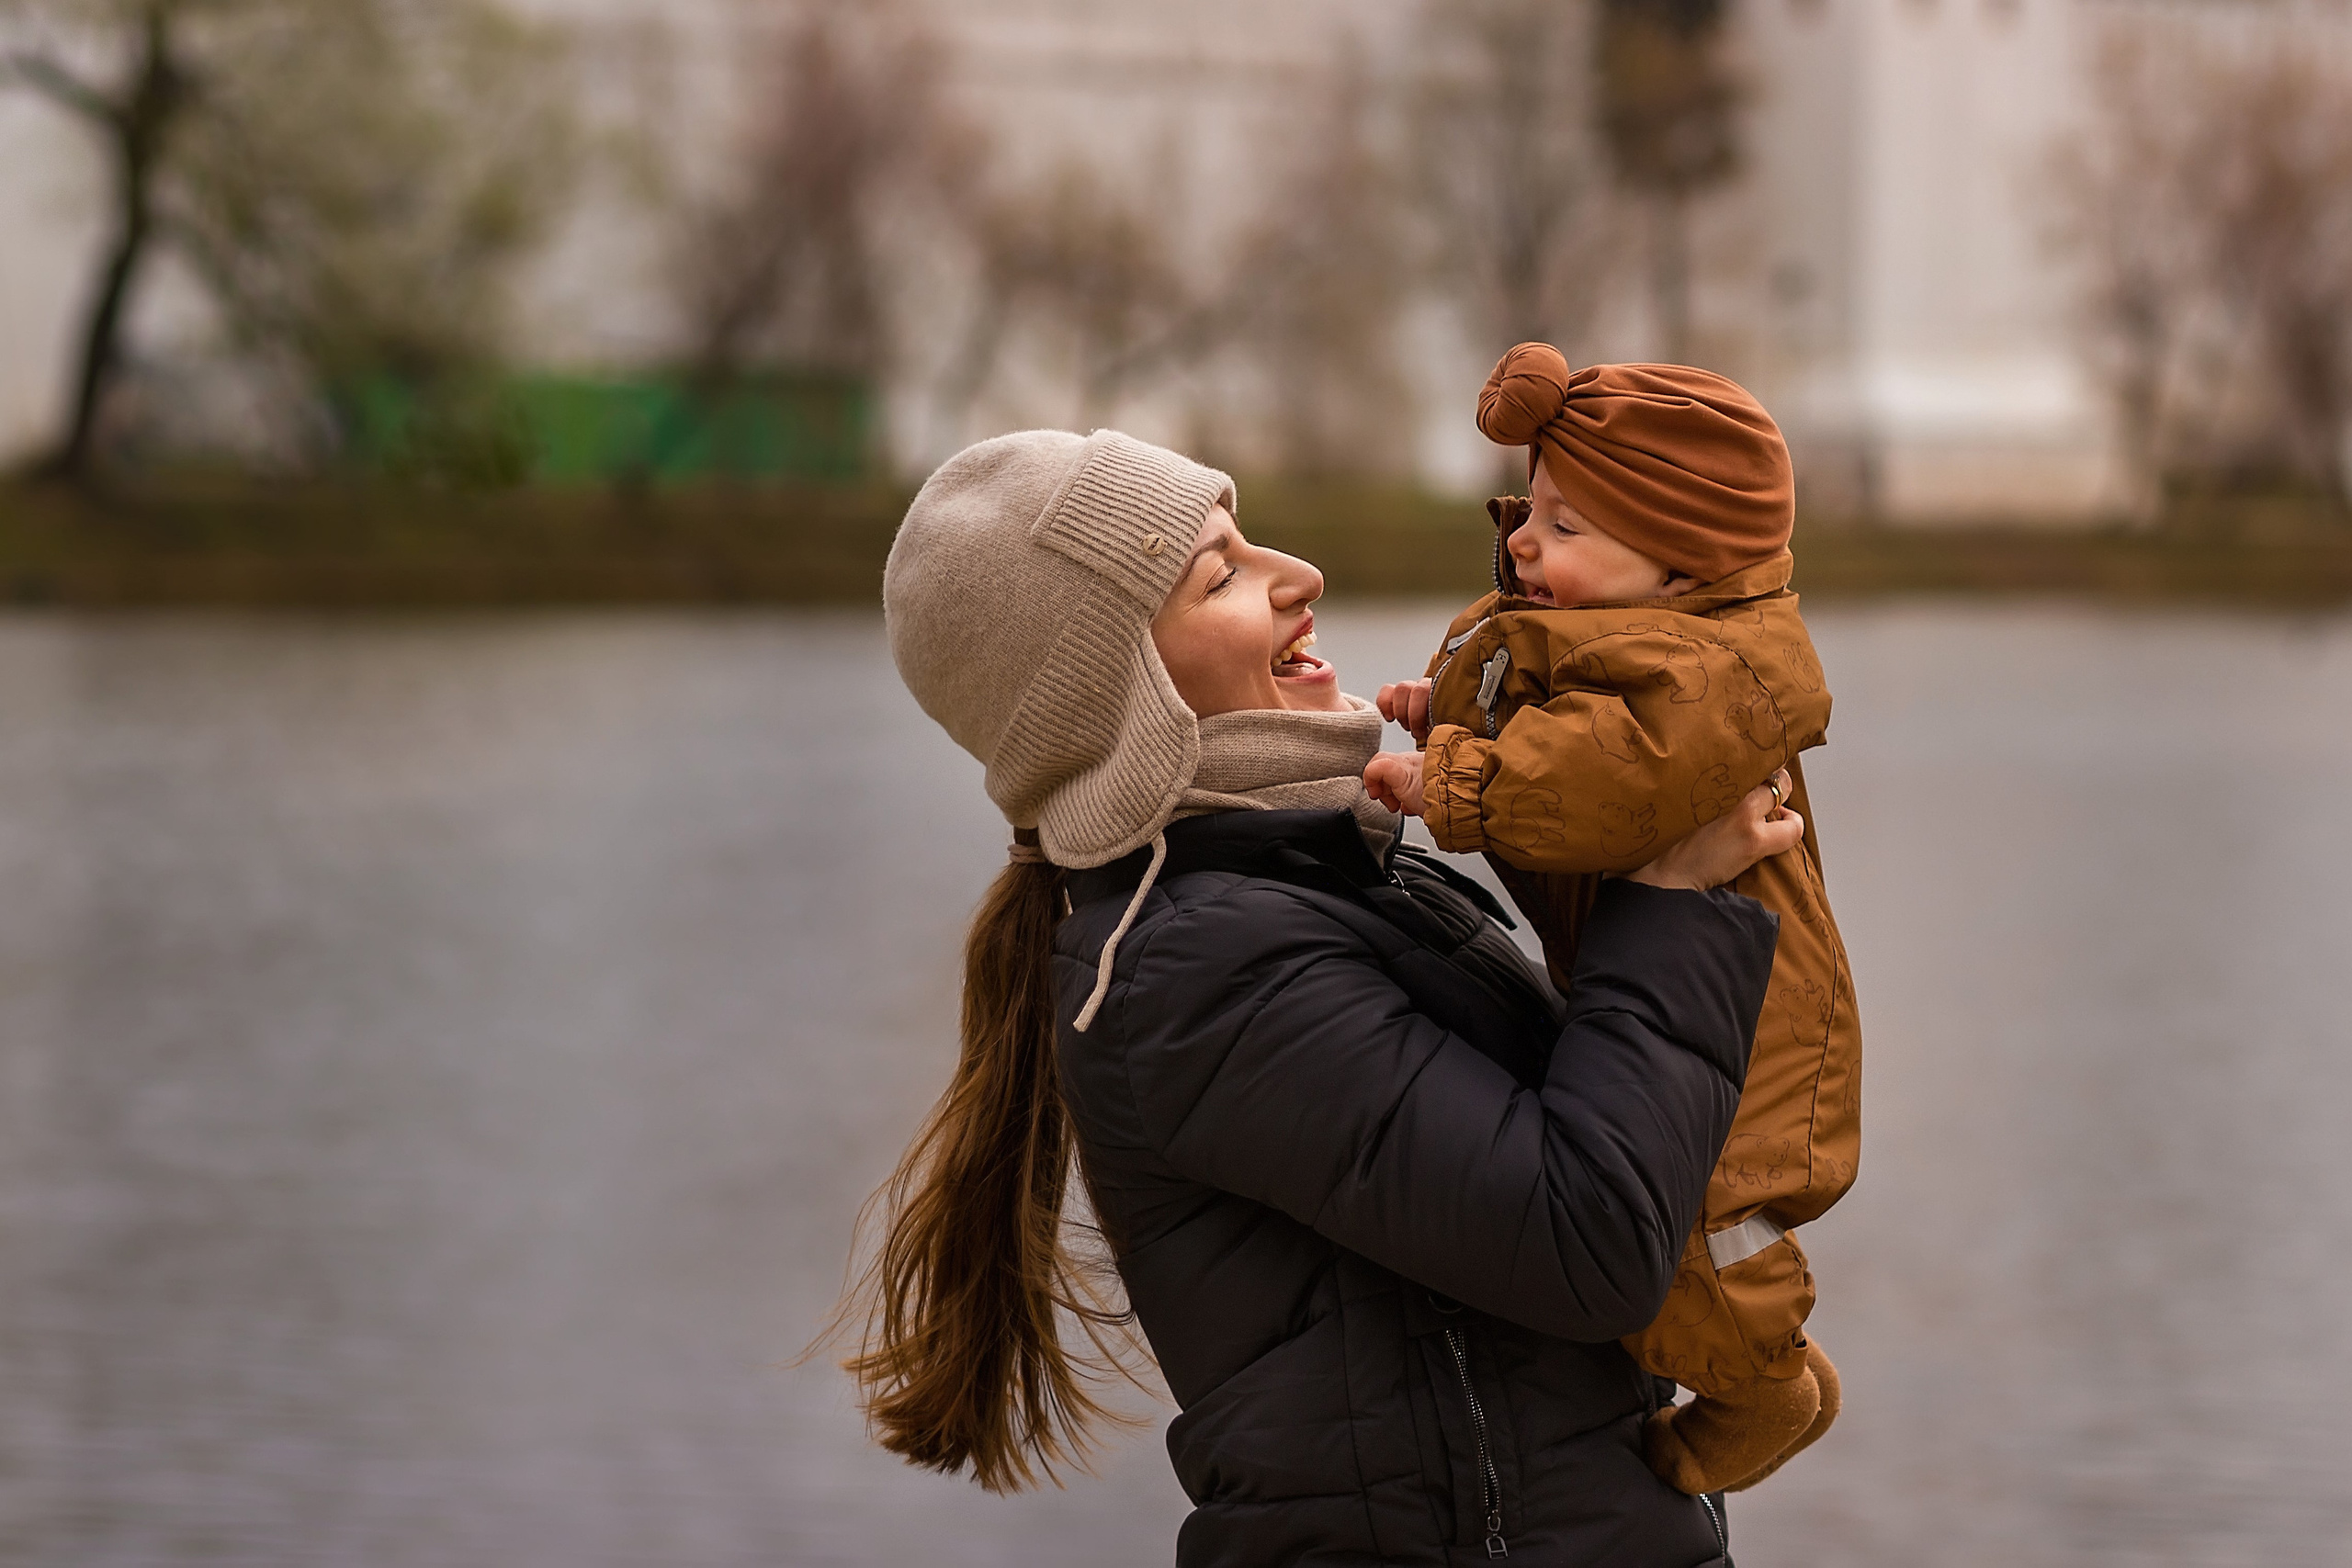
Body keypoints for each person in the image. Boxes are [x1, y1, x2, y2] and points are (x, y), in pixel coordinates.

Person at [852, 427, 1801, 1566]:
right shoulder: (1203, 972)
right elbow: (1586, 1237)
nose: (1295, 574)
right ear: (1122, 695)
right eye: (1222, 574)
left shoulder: (1330, 885)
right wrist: (1672, 902)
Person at [1361, 344, 1861, 1497]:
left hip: (1753, 1007)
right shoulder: (1624, 630)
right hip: (1677, 981)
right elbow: (1530, 685)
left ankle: (1763, 1387)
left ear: (1685, 570)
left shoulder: (1714, 679)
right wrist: (1437, 707)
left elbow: (1597, 782)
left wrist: (1450, 787)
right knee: (1693, 1215)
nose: (1528, 545)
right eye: (1531, 512)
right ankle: (1778, 1363)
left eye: (1569, 530)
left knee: (1694, 1212)